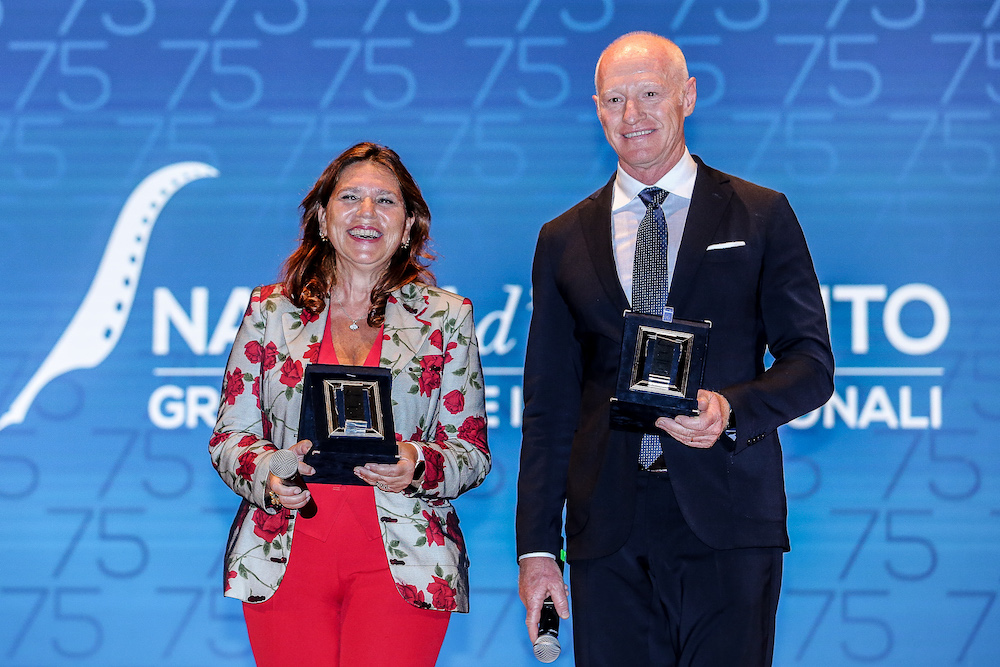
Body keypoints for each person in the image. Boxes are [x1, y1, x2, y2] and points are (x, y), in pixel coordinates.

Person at [515, 32, 835, 666]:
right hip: (607, 527)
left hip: (728, 516)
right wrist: (537, 550)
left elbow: (811, 365)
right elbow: (549, 407)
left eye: (650, 94)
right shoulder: (562, 238)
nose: (632, 115)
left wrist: (730, 409)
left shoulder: (760, 214)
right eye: (614, 100)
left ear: (687, 96)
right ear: (597, 110)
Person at [210, 142, 491, 666]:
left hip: (407, 562)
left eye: (385, 201)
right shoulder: (270, 311)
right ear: (322, 218)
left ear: (409, 225)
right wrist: (270, 470)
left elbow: (470, 452)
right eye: (349, 197)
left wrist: (417, 463)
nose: (367, 213)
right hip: (284, 556)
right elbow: (230, 436)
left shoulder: (447, 317)